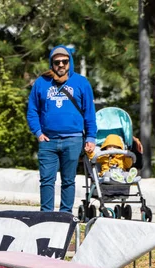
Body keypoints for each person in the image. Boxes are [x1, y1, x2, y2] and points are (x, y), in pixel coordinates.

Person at [27, 45, 97, 213]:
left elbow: (89, 112)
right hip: (48, 141)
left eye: (64, 61)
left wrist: (91, 138)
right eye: (56, 62)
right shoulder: (41, 83)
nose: (60, 65)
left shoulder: (81, 82)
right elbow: (32, 110)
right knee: (46, 181)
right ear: (52, 63)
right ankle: (46, 216)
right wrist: (38, 133)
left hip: (73, 140)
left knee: (68, 181)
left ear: (69, 63)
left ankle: (65, 217)